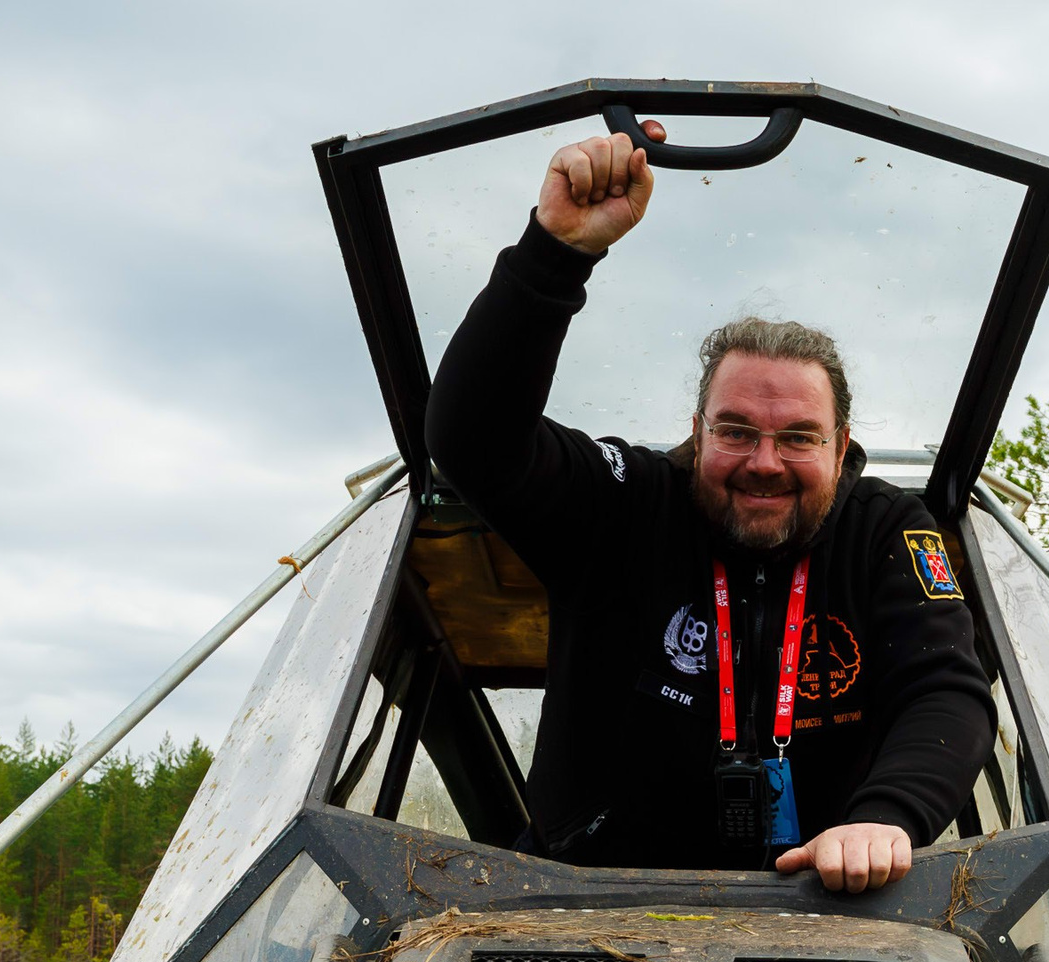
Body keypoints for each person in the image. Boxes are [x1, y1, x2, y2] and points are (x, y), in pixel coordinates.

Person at [423, 123, 995, 895]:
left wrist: (886, 817)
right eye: (735, 431)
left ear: (841, 443)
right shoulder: (626, 502)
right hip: (579, 913)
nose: (764, 462)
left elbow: (946, 691)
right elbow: (473, 442)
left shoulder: (885, 531)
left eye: (797, 436)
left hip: (828, 916)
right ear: (696, 432)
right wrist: (556, 252)